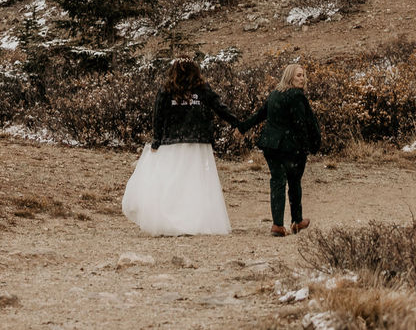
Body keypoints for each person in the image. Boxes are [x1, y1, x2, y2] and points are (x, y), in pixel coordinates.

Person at [121, 57, 249, 235]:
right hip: (197, 142)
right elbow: (220, 107)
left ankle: (171, 218)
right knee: (195, 181)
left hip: (173, 142)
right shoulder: (202, 89)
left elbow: (158, 116)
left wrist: (157, 141)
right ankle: (195, 220)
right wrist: (238, 124)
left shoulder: (166, 90)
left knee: (173, 180)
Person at [248, 60, 323, 236]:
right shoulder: (296, 95)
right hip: (290, 148)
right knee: (294, 182)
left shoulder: (275, 93)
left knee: (277, 182)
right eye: (299, 75)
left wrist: (242, 126)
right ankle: (296, 221)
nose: (303, 78)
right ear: (290, 76)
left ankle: (277, 225)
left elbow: (260, 114)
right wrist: (311, 145)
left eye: (304, 75)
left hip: (270, 145)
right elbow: (303, 123)